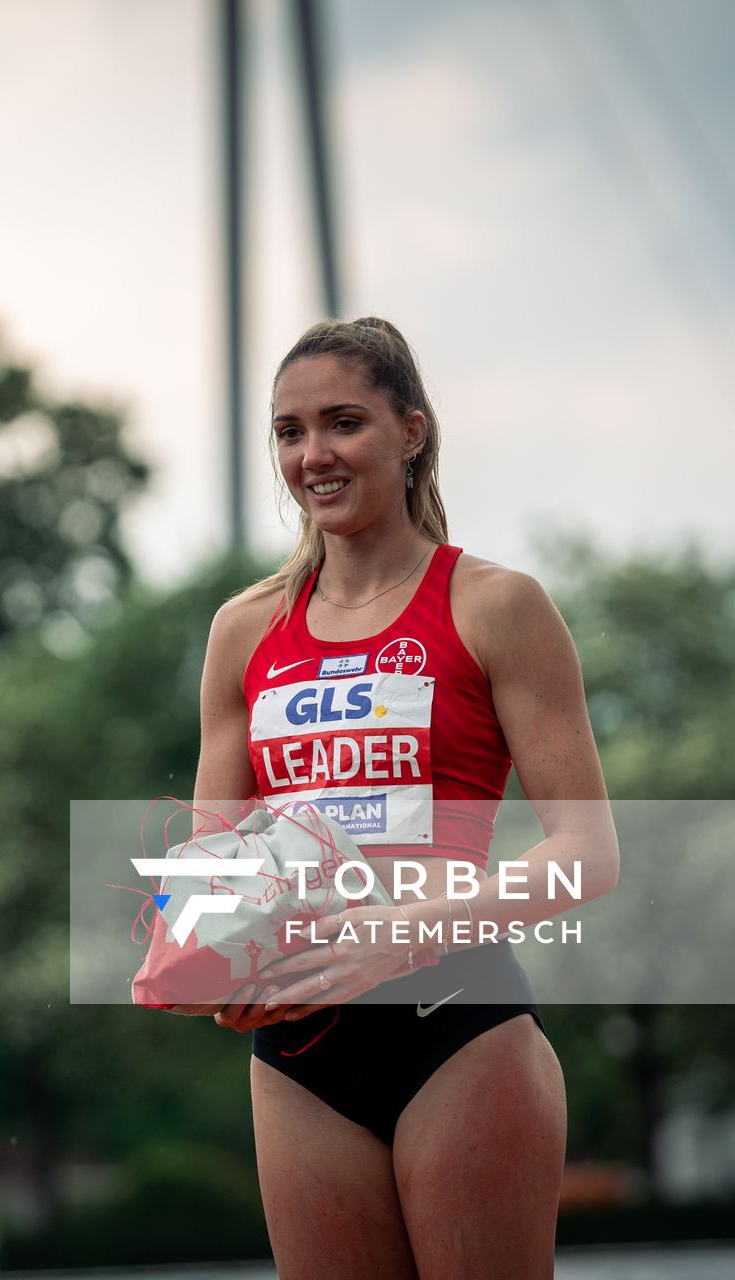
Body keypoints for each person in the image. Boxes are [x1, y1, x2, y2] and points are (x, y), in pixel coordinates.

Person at [166, 317, 619, 1278]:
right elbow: (216, 867)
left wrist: (403, 932)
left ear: (411, 432)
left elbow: (587, 855)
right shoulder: (243, 630)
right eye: (289, 432)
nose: (313, 455)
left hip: (458, 1027)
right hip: (300, 1060)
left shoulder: (496, 605)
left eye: (343, 423)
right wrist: (214, 960)